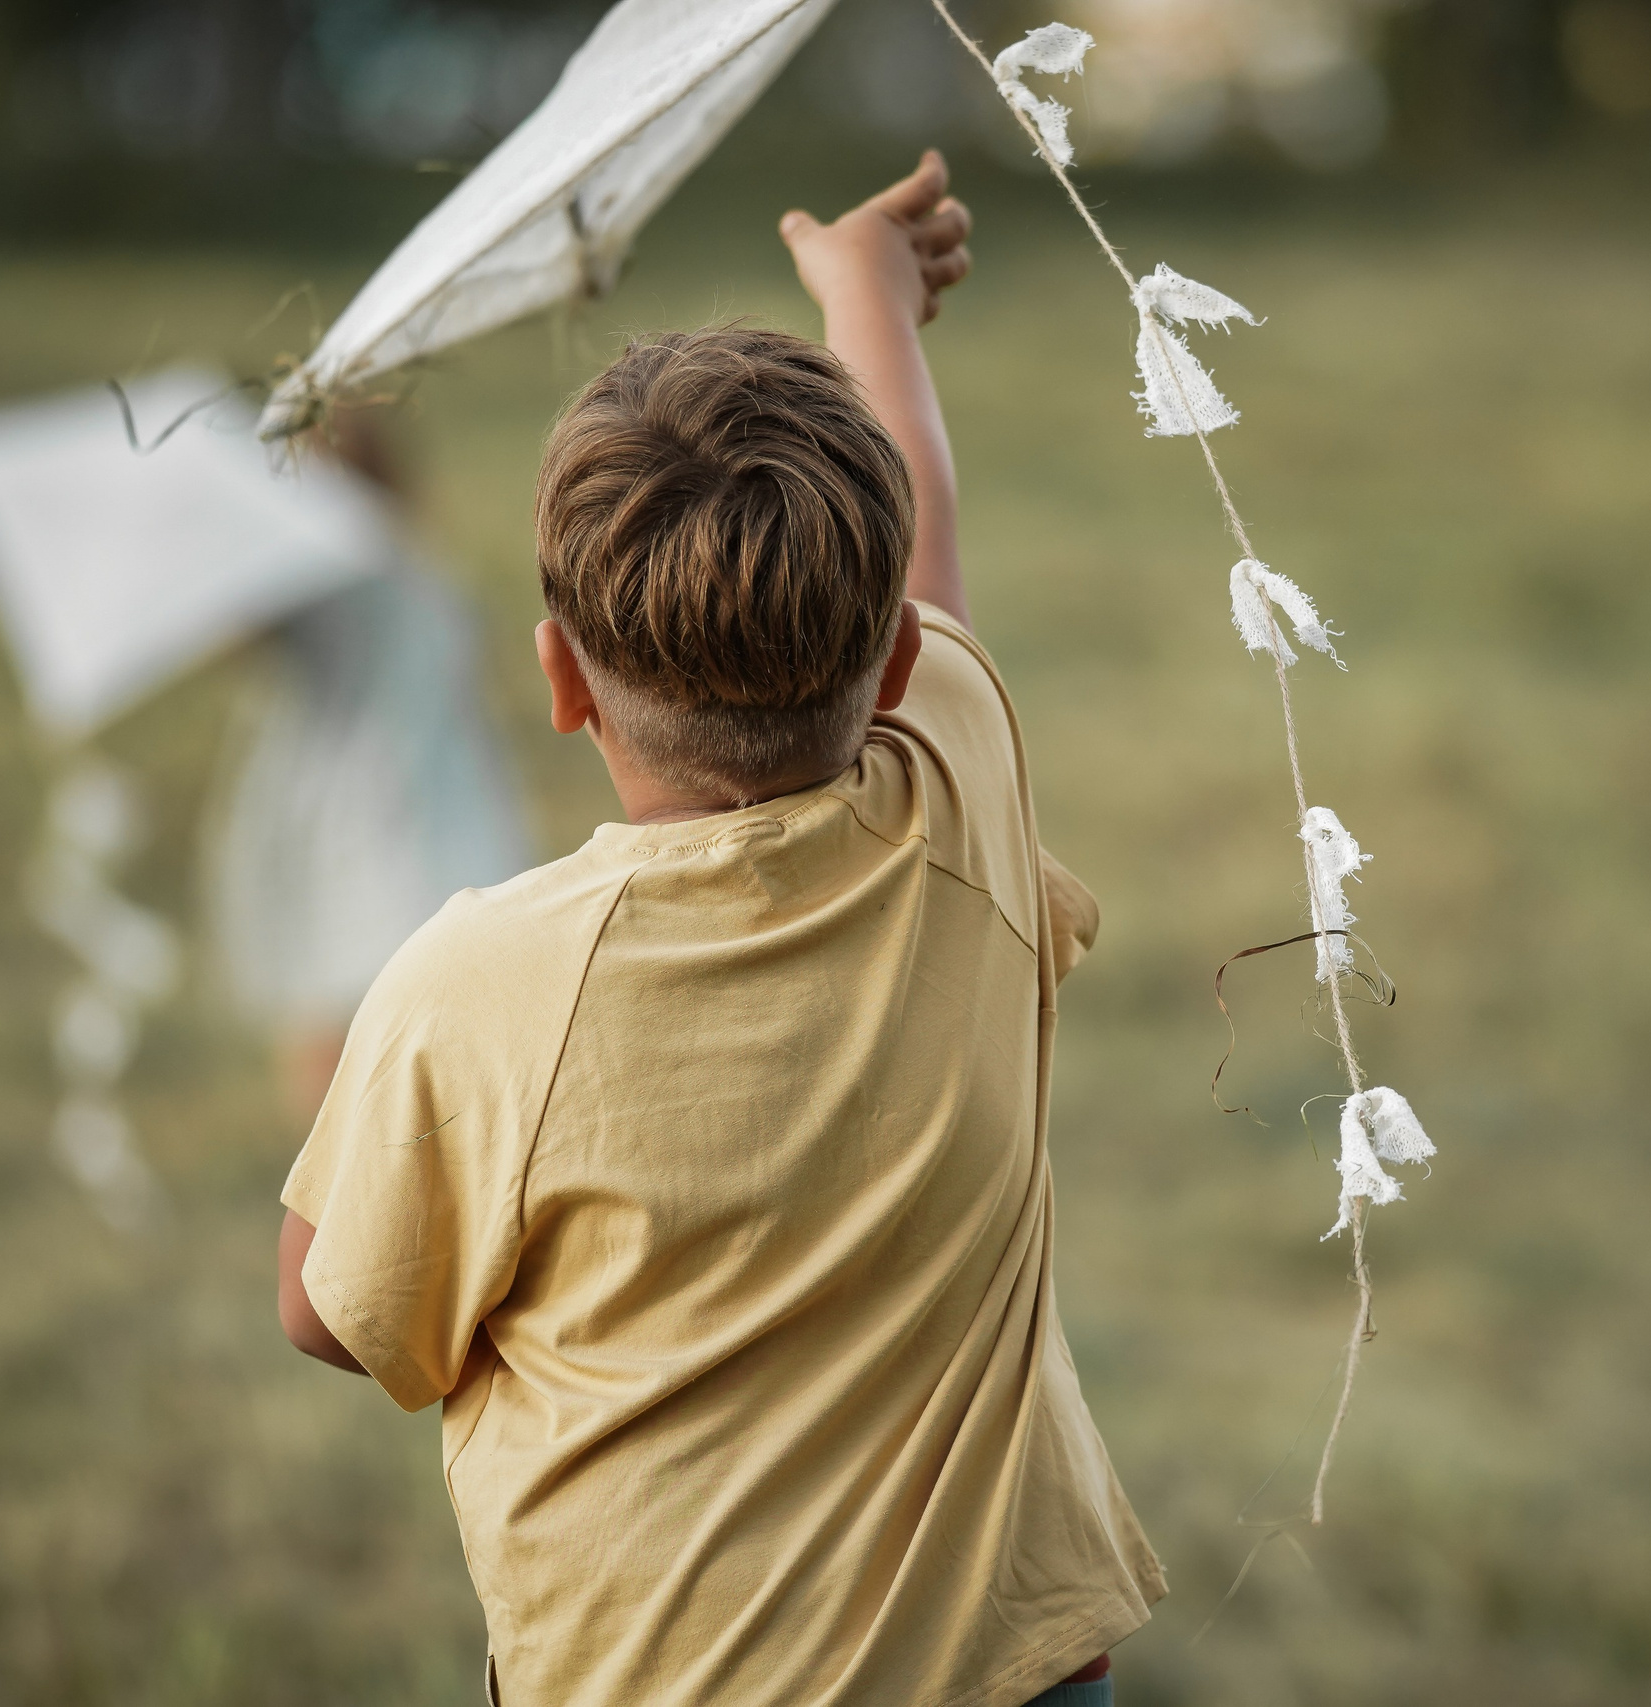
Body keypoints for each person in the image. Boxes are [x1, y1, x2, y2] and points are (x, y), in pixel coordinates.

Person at [274, 151, 1163, 1706]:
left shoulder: (474, 985)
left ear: (558, 680)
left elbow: (325, 1307)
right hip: (1008, 1676)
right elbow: (926, 546)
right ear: (893, 669)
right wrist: (866, 298)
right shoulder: (957, 780)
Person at [206, 410, 535, 1118]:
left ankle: (345, 1181)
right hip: (410, 798)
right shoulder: (413, 573)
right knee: (376, 994)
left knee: (345, 1000)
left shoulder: (361, 574)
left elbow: (235, 636)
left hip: (369, 805)